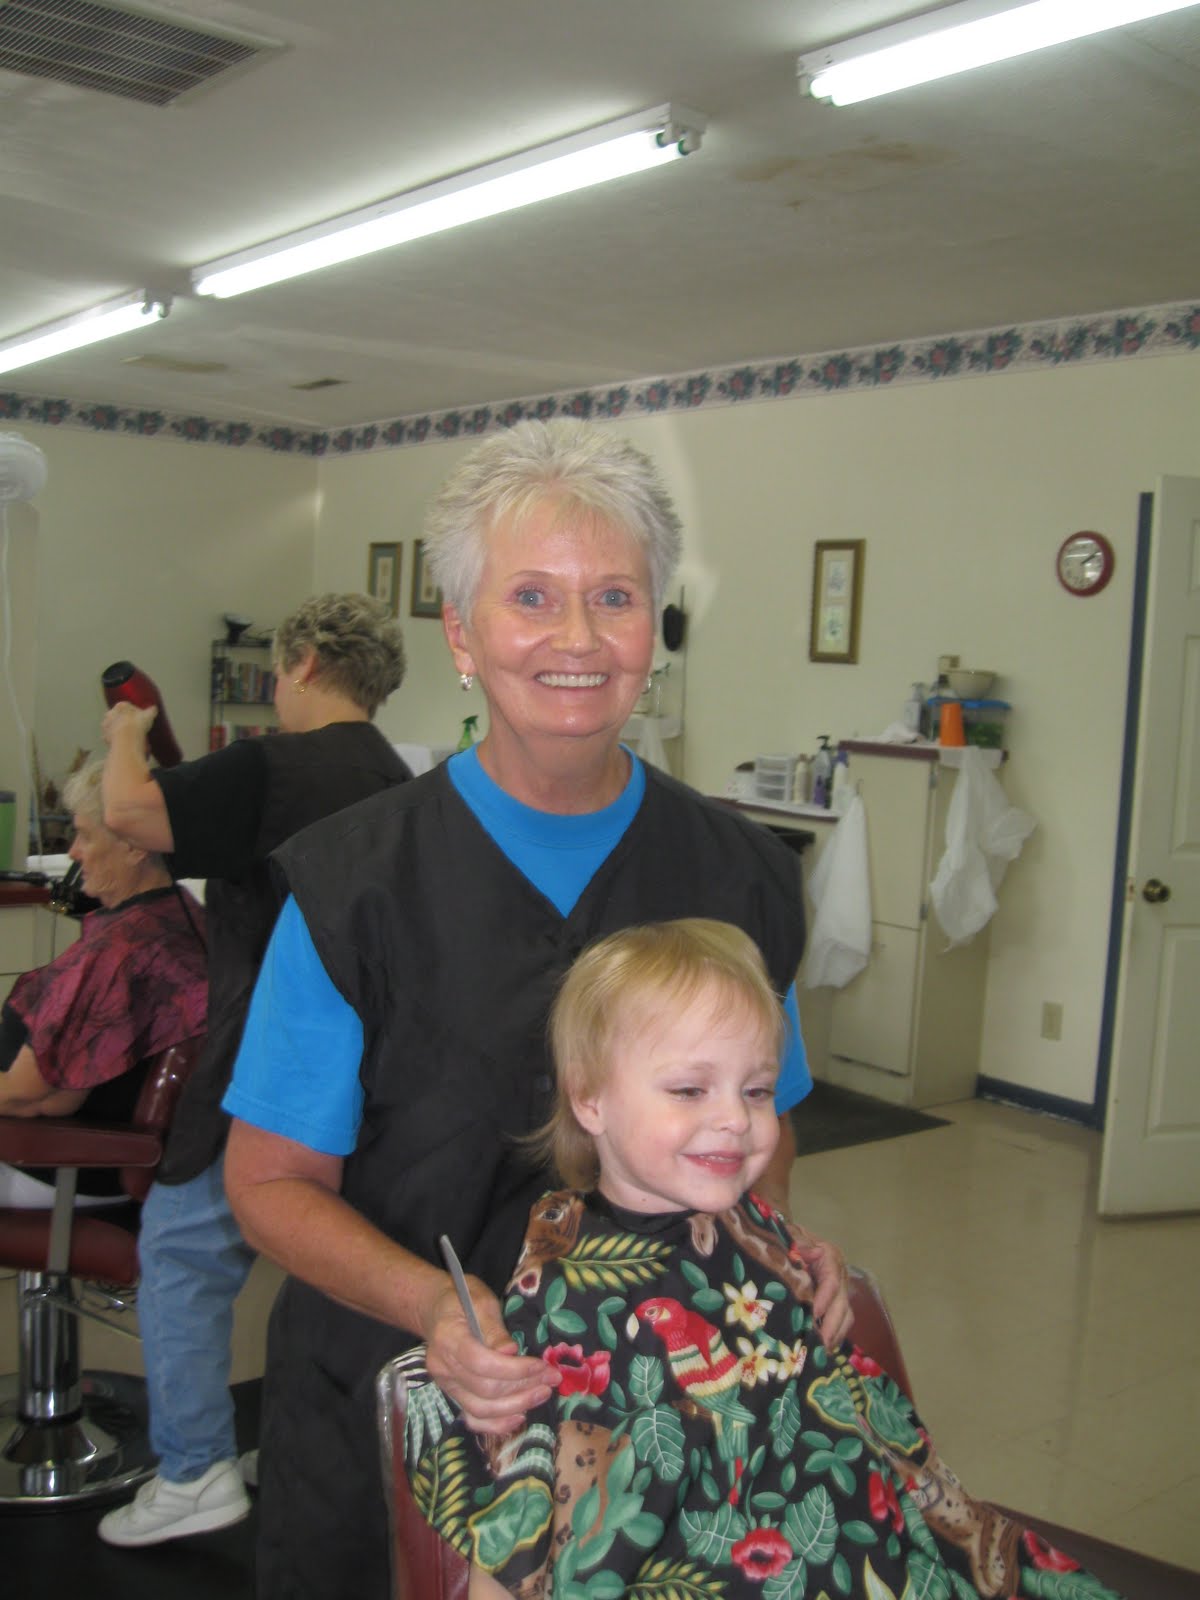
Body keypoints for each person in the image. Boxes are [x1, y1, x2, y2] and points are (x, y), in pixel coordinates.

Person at [221, 419, 851, 1599]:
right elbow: (267, 1183)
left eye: (615, 597)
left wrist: (770, 1242)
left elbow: (765, 1127)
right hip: (385, 1407)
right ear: (462, 633)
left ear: (654, 629)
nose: (577, 638)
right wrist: (434, 1302)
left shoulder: (737, 878)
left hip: (656, 1414)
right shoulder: (354, 886)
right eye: (531, 597)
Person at [407, 919, 1126, 1600]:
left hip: (853, 1540)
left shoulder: (755, 1226)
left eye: (756, 1090)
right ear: (589, 1098)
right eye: (690, 1089)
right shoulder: (564, 1293)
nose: (736, 1119)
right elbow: (519, 1527)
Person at [95, 592, 410, 1548]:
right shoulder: (403, 780)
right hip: (378, 1071)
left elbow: (126, 810)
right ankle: (330, 1453)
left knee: (184, 1252)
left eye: (280, 670)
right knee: (335, 1265)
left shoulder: (271, 764)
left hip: (268, 1066)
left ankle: (194, 1472)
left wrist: (126, 730)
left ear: (305, 662)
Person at [0, 760, 206, 1207]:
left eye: (85, 836)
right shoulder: (179, 916)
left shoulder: (123, 950)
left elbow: (35, 1099)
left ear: (134, 846)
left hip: (57, 1162)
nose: (74, 853)